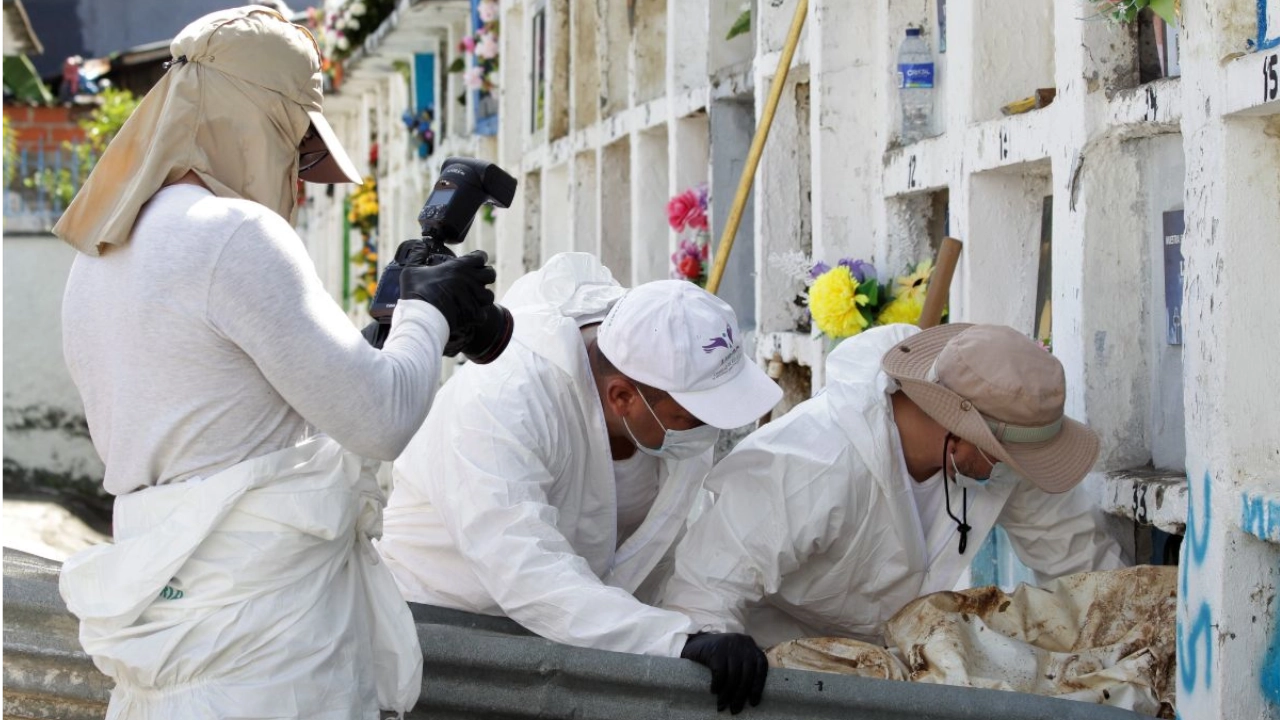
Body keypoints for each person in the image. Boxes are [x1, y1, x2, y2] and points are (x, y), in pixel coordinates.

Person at [52, 7, 497, 719]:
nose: (298, 185)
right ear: (254, 121)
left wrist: (385, 335)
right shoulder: (235, 233)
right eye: (297, 151)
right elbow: (382, 421)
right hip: (264, 654)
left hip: (167, 637)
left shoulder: (101, 253)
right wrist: (429, 309)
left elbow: (234, 412)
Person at [376, 252, 783, 714]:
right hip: (443, 640)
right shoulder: (505, 401)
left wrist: (696, 629)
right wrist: (675, 640)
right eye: (692, 419)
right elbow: (525, 569)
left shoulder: (667, 399)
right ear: (622, 397)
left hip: (574, 647)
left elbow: (657, 555)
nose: (707, 432)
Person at [661, 323, 1126, 650]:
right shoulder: (812, 462)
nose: (1012, 467)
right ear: (960, 431)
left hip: (886, 668)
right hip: (770, 667)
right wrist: (721, 658)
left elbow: (1080, 565)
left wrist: (1129, 638)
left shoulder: (997, 455)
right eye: (1003, 454)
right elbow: (706, 590)